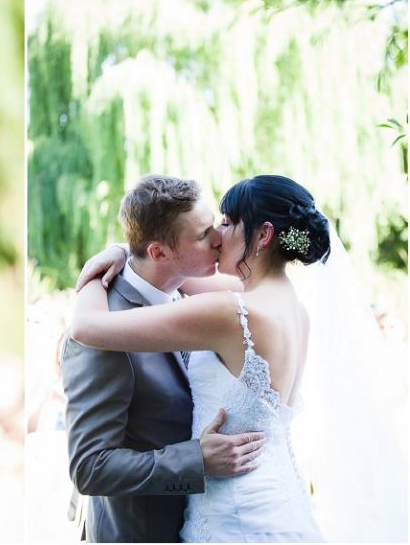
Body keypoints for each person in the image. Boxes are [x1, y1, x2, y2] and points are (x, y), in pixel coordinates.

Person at [72, 174, 329, 542]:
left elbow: (85, 327)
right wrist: (123, 249)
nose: (218, 237)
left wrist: (94, 274)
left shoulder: (229, 311)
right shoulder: (295, 309)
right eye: (209, 229)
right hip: (281, 503)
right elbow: (171, 271)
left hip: (236, 515)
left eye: (226, 223)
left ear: (263, 235)